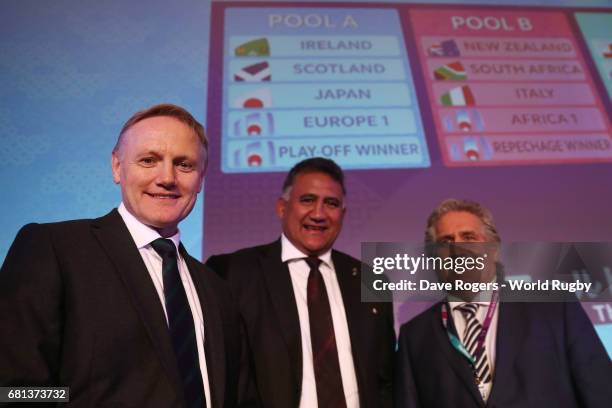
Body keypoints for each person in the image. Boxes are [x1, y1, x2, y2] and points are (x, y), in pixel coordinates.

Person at [0, 104, 252, 407]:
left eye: (184, 165)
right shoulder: (53, 249)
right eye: (149, 160)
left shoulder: (217, 289)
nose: (167, 178)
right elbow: (14, 391)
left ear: (201, 178)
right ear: (117, 167)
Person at [206, 157, 395, 408]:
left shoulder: (371, 280)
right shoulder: (233, 272)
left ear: (343, 214)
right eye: (307, 200)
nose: (318, 214)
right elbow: (221, 375)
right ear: (282, 207)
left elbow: (387, 380)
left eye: (331, 203)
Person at [394, 198, 612, 408]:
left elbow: (601, 393)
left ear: (495, 249)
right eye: (445, 241)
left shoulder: (555, 307)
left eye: (469, 237)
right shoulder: (414, 337)